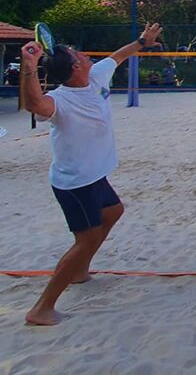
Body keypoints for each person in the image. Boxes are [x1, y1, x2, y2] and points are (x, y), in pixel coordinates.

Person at [18, 22, 163, 326]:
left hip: (95, 175)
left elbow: (119, 56)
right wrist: (29, 66)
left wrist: (141, 41)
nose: (84, 55)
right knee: (86, 239)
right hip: (75, 183)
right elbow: (34, 104)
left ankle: (80, 270)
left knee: (114, 211)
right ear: (74, 68)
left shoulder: (95, 75)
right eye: (78, 55)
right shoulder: (61, 101)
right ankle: (42, 308)